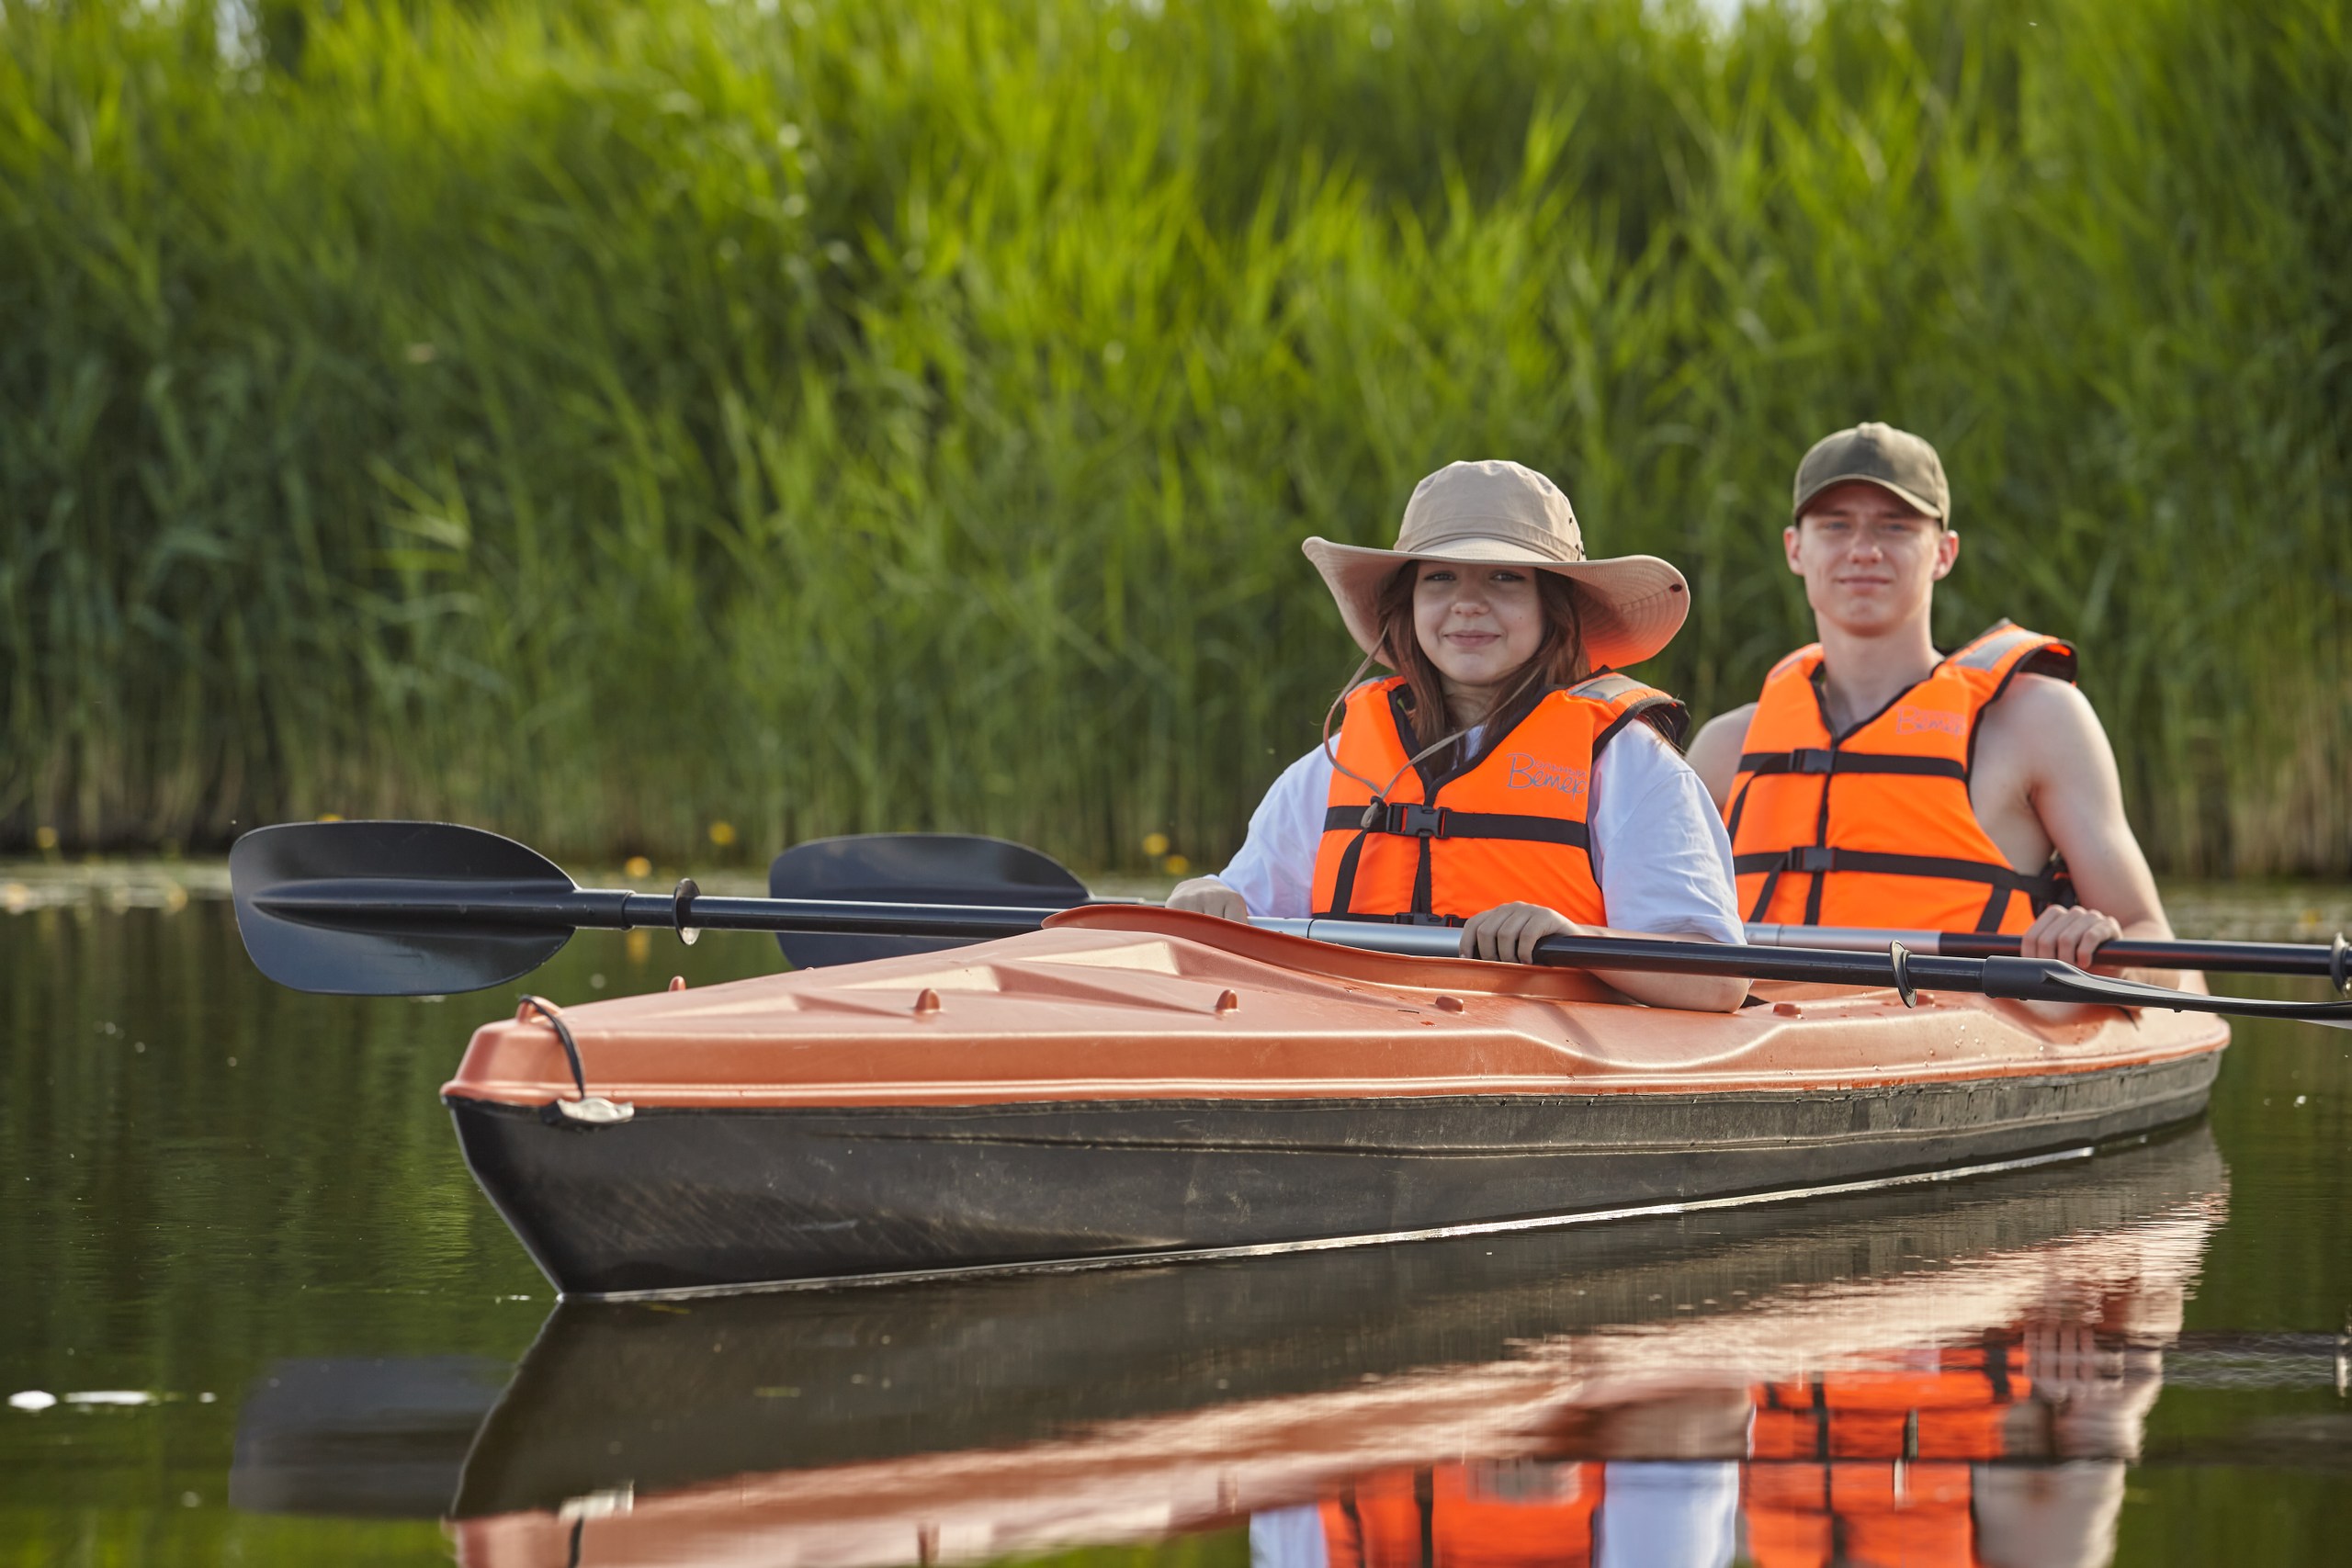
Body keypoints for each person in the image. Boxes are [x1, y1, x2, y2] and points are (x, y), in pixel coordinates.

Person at [1168, 458, 1748, 1013]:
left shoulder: (1630, 765)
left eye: (1505, 578)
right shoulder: (1333, 766)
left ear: (1552, 607)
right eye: (1440, 578)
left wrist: (1576, 938)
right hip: (1359, 1034)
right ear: (1409, 604)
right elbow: (1239, 919)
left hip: (1546, 1056)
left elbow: (1718, 981)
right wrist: (1204, 902)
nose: (1468, 604)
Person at [1685, 423, 2185, 975]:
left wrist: (2099, 953)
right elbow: (1650, 928)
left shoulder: (2035, 723)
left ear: (1944, 553)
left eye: (1895, 526)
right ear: (1795, 549)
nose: (1864, 550)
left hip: (1964, 1020)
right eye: (1835, 525)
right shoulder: (1726, 748)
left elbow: (2159, 950)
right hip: (1762, 1019)